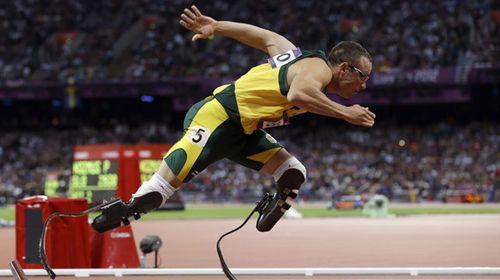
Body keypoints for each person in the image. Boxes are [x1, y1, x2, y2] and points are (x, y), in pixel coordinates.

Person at [92, 5, 376, 233]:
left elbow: (264, 37)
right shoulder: (317, 69)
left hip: (244, 132)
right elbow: (299, 94)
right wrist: (345, 113)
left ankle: (268, 210)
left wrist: (217, 26)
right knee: (164, 186)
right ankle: (127, 208)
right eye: (362, 77)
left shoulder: (295, 56)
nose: (363, 86)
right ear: (343, 69)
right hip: (218, 116)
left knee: (292, 171)